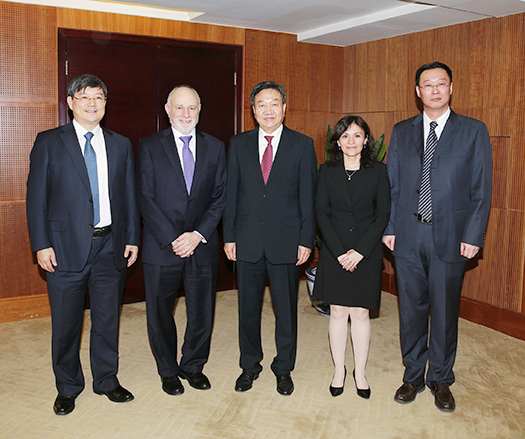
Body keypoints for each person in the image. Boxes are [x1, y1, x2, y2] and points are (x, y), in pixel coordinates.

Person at [26, 74, 140, 415]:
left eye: (99, 97)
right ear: (71, 102)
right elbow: (36, 200)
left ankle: (106, 379)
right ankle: (68, 386)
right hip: (62, 248)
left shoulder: (120, 144)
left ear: (106, 104)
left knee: (107, 319)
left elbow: (128, 196)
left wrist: (132, 237)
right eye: (85, 96)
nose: (92, 103)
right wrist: (41, 244)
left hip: (110, 245)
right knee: (66, 323)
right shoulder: (49, 141)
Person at [382, 62, 492, 412]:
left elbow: (481, 189)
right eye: (427, 85)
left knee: (444, 312)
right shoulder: (402, 131)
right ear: (417, 92)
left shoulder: (473, 131)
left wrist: (474, 234)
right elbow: (393, 186)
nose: (434, 90)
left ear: (451, 88)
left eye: (440, 84)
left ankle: (441, 379)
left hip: (452, 236)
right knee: (411, 310)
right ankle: (413, 374)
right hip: (408, 236)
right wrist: (390, 227)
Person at [223, 81, 317, 396]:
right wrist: (229, 235)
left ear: (284, 108)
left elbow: (308, 197)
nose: (268, 110)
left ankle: (283, 368)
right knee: (247, 309)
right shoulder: (238, 144)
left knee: (286, 309)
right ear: (253, 110)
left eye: (274, 103)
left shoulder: (302, 145)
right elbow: (231, 195)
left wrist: (306, 240)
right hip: (247, 239)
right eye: (261, 104)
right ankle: (249, 366)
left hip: (286, 241)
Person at [136, 85, 227, 396]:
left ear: (199, 111)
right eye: (179, 108)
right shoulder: (149, 146)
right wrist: (175, 237)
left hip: (201, 244)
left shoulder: (215, 147)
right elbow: (144, 198)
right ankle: (168, 370)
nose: (186, 114)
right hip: (163, 245)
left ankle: (193, 365)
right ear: (167, 109)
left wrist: (197, 234)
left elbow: (219, 198)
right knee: (160, 312)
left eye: (192, 108)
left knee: (202, 311)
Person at [314, 115, 390, 399]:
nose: (351, 141)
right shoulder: (327, 170)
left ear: (366, 140)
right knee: (337, 312)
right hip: (335, 251)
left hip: (366, 252)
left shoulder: (378, 171)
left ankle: (360, 371)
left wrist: (359, 251)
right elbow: (321, 212)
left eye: (357, 135)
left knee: (359, 313)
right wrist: (338, 251)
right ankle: (338, 371)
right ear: (337, 141)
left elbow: (382, 214)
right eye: (345, 136)